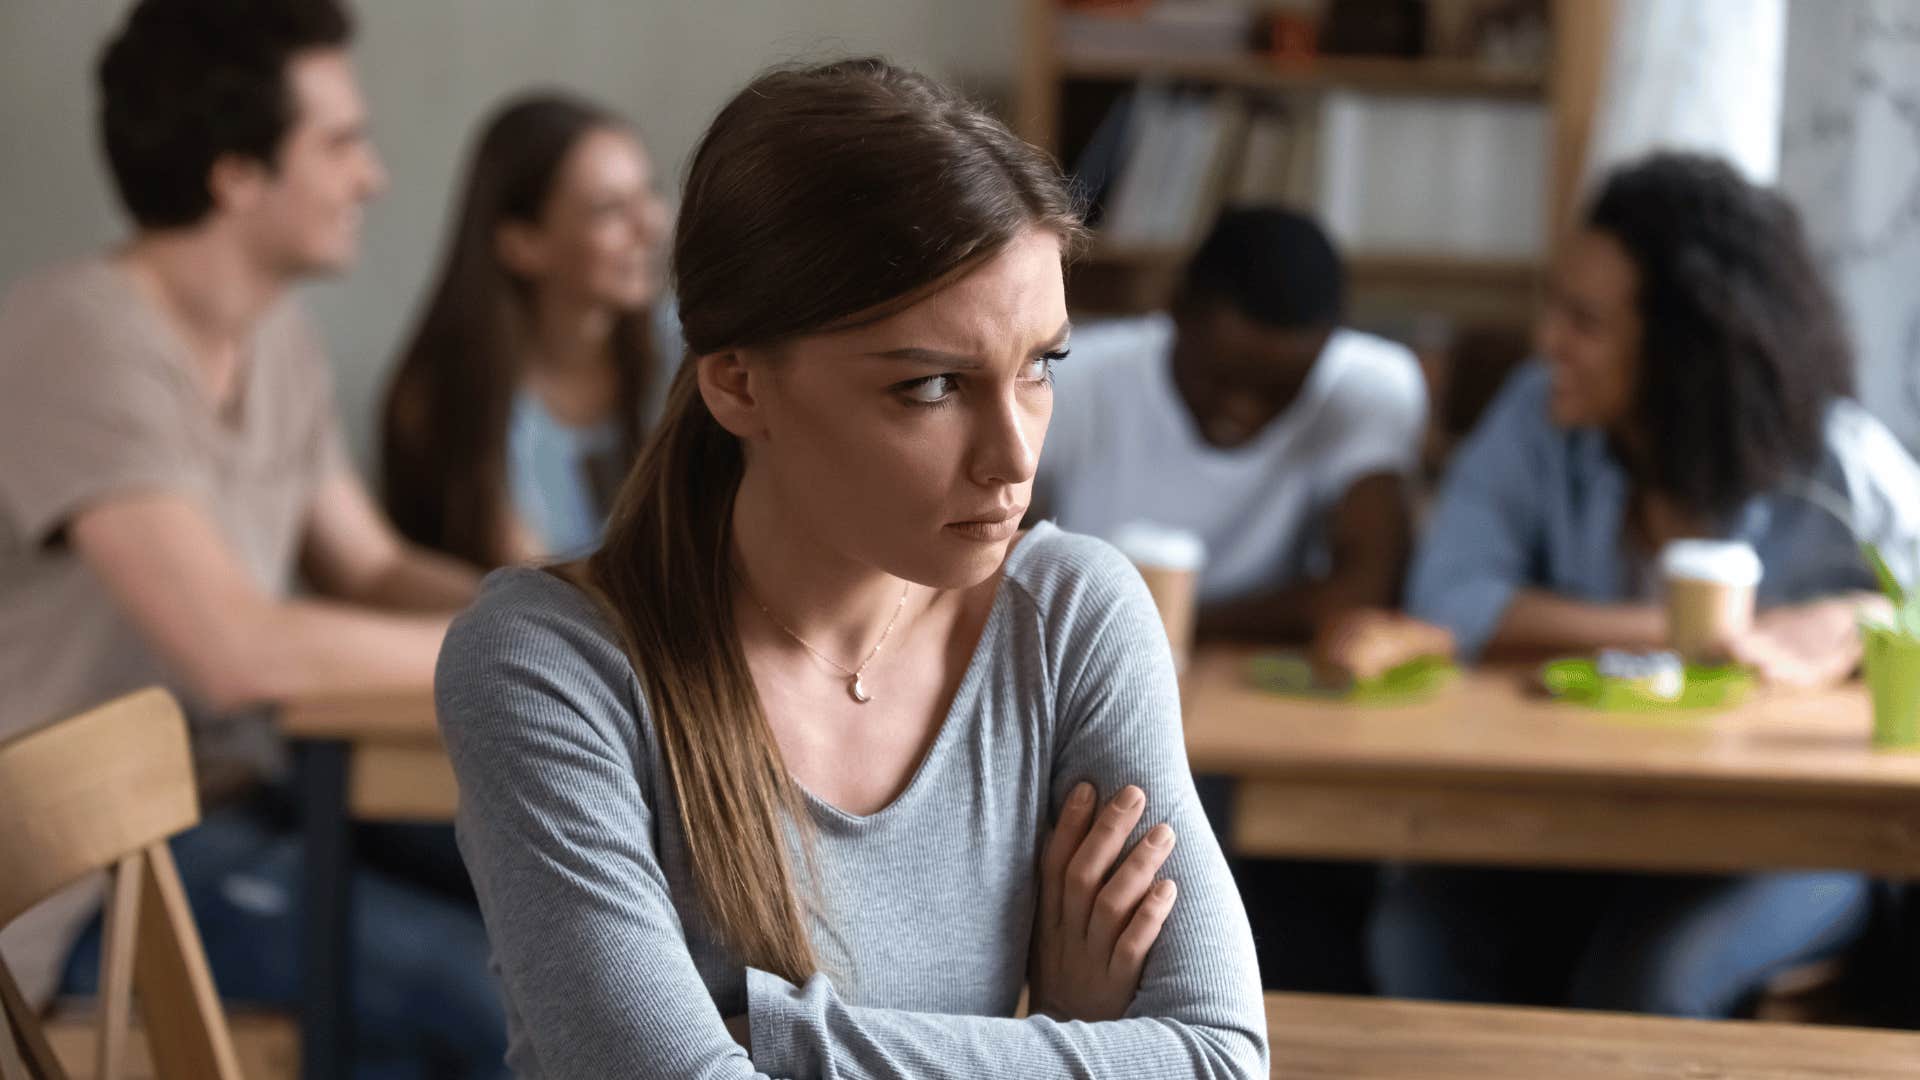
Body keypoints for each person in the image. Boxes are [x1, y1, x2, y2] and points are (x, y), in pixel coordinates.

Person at [434, 58, 1268, 1076]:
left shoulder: (1070, 617)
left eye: (1041, 365)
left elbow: (1217, 1055)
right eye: (929, 386)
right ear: (739, 384)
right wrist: (1066, 1046)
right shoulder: (549, 664)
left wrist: (773, 1037)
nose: (1014, 458)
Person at [0, 1, 506, 1073]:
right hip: (78, 868)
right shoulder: (73, 337)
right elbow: (235, 652)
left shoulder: (273, 337)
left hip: (242, 799)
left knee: (580, 911)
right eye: (341, 143)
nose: (371, 177)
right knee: (481, 995)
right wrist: (528, 647)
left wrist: (558, 598)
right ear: (237, 173)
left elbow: (370, 564)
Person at [1370, 152, 1920, 1018]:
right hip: (1572, 823)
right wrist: (1687, 635)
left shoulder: (1837, 464)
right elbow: (1452, 600)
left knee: (1647, 978)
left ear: (1684, 341)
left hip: (1784, 841)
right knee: (1414, 935)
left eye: (1584, 321)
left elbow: (1910, 604)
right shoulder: (1536, 417)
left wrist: (1856, 620)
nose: (1548, 339)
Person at [1038, 206, 1427, 644]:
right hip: (1084, 654)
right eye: (1218, 379)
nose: (1243, 410)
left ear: (1330, 345)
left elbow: (1362, 596)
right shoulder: (1071, 376)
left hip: (1223, 668)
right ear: (1174, 312)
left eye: (1281, 391)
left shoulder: (1369, 387)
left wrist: (1152, 626)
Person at [381, 92, 675, 569]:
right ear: (521, 243)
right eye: (609, 209)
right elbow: (532, 583)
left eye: (650, 192)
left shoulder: (698, 354)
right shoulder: (453, 401)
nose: (652, 226)